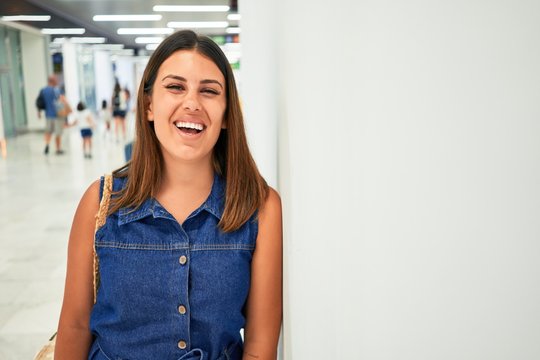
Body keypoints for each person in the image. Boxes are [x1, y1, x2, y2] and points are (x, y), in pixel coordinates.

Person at [55, 30, 283, 360]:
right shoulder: (100, 202)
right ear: (149, 105)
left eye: (209, 91)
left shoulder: (259, 208)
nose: (191, 103)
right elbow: (75, 326)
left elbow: (260, 347)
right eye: (175, 87)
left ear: (226, 115)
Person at [38, 75, 70, 155]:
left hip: (48, 114)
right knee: (58, 133)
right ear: (52, 81)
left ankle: (47, 145)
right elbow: (63, 100)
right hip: (58, 115)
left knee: (48, 132)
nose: (57, 81)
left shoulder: (43, 90)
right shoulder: (57, 90)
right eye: (56, 80)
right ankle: (58, 149)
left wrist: (39, 112)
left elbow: (39, 102)